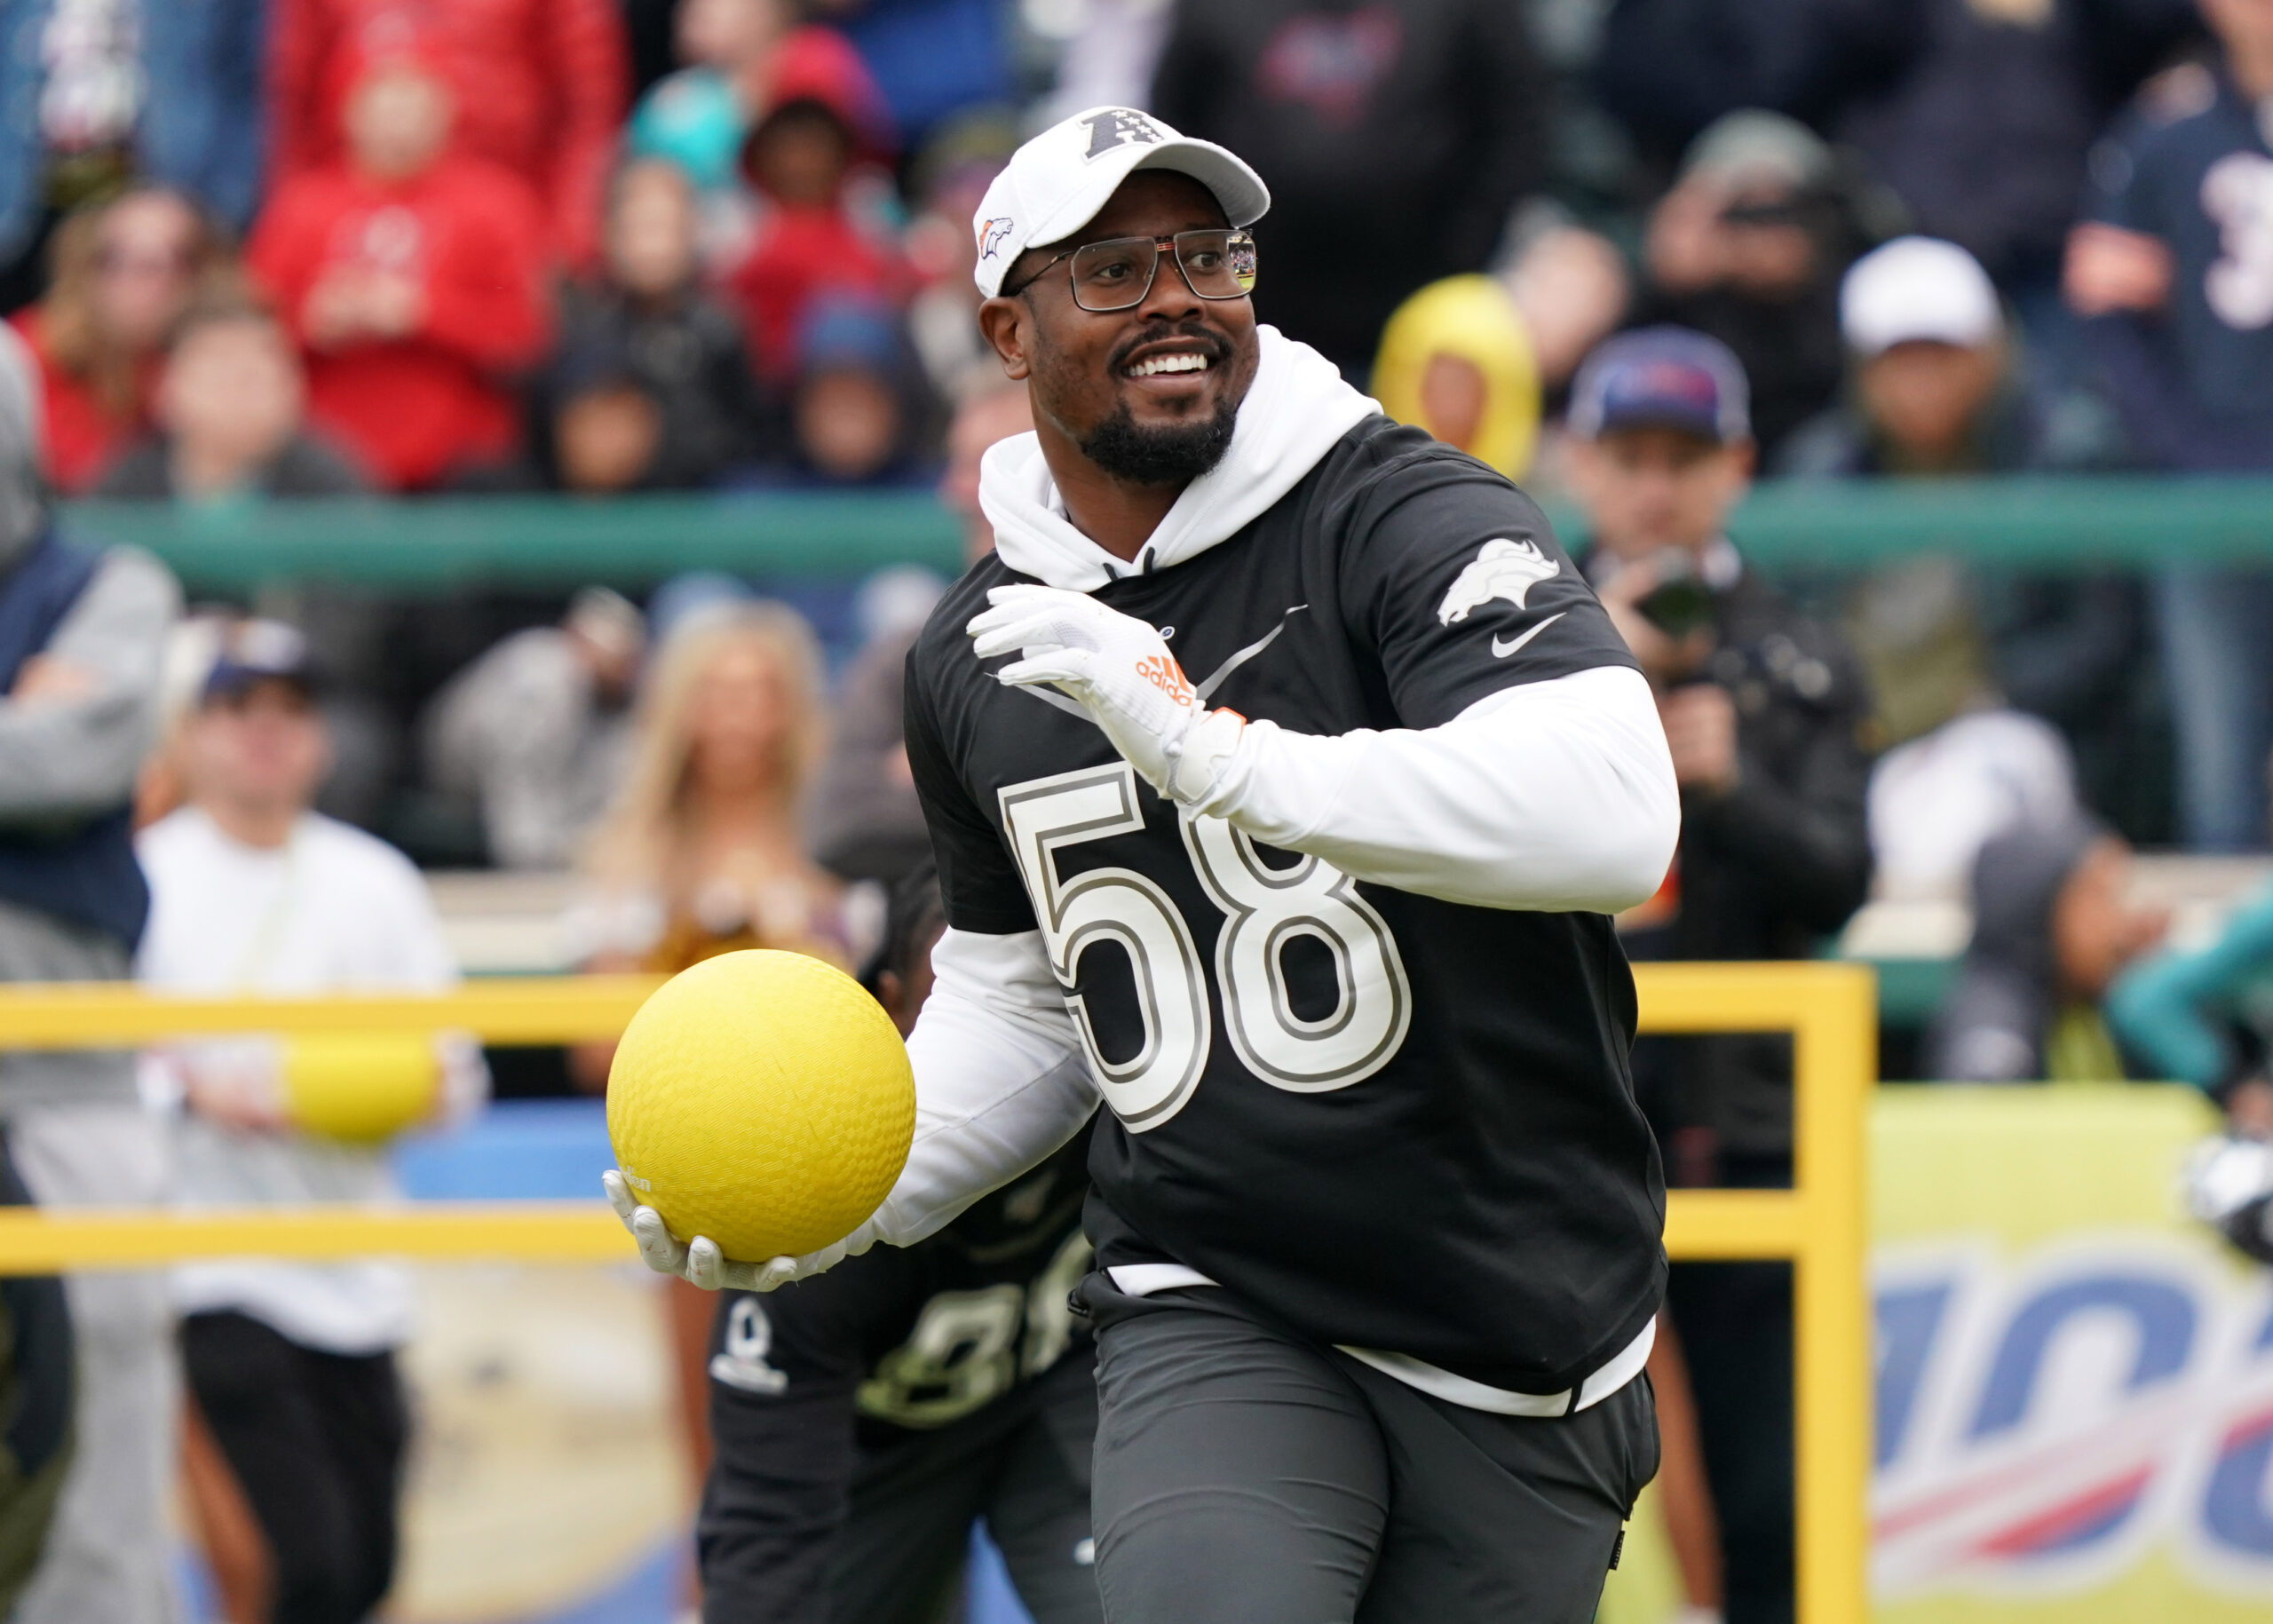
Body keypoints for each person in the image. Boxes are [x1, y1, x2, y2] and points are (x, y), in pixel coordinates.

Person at [613, 105, 1679, 1621]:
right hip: (1218, 1281)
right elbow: (1038, 1000)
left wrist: (1225, 760)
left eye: (1204, 254)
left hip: (1513, 1302)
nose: (1176, 295)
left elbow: (1619, 814)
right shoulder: (979, 649)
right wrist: (853, 1195)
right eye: (1112, 269)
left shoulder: (1400, 510)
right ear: (1009, 326)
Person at [1566, 327, 1873, 1624]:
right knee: (1525, 1504)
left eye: (1683, 460)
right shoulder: (1516, 636)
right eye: (1631, 457)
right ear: (1583, 466)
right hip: (1563, 1120)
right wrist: (1589, 694)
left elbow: (1845, 882)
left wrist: (1733, 789)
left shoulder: (1796, 652)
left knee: (1766, 1503)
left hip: (1744, 1123)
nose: (1655, 488)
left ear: (1738, 467)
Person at [136, 619, 487, 1624]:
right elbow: (101, 1066)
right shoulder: (144, 879)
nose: (266, 732)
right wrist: (200, 1094)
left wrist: (323, 1092)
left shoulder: (373, 879)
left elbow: (452, 1078)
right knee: (300, 1567)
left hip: (357, 1272)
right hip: (211, 1267)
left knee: (364, 1568)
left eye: (290, 708)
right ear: (191, 732)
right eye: (237, 706)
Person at [701, 861, 1102, 1624]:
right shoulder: (818, 1210)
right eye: (959, 1012)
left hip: (1073, 1393)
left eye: (1029, 1009)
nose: (996, 1055)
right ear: (887, 1007)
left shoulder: (1133, 1107)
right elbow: (768, 1523)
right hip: (881, 1457)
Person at [0, 320, 183, 1624]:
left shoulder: (109, 585)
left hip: (60, 1079)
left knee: (106, 1435)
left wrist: (38, 727)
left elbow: (62, 759)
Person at [2067, 2, 2273, 850]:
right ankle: (2226, 980)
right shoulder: (2167, 130)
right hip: (2205, 488)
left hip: (2214, 468)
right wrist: (2185, 447)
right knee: (2220, 765)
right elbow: (2109, 319)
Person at [1149, 2, 1551, 377]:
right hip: (1259, 306)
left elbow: (1516, 123)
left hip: (1424, 308)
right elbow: (1176, 136)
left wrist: (1462, 251)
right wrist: (1223, 269)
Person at [248, 39, 553, 492]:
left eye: (414, 105)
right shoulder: (301, 208)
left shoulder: (497, 204)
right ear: (348, 112)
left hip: (462, 465)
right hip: (322, 466)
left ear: (447, 112)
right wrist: (310, 323)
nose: (398, 124)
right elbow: (248, 329)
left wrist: (421, 314)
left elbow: (528, 338)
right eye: (382, 105)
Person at [811, 377, 1030, 885]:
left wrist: (932, 771)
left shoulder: (1136, 618)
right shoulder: (914, 652)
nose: (951, 492)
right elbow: (839, 822)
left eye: (977, 464)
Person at [268, 0, 627, 271]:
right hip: (357, 213)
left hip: (511, 212)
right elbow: (294, 101)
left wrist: (570, 234)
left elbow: (589, 103)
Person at [1632, 112, 1872, 462]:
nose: (1764, 233)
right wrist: (1667, 276)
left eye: (1782, 211)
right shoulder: (1683, 298)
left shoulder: (1846, 279)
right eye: (1744, 212)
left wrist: (1799, 286)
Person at [545, 158, 768, 490]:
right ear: (609, 233)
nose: (652, 246)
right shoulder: (582, 328)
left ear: (692, 232)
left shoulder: (721, 328)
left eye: (665, 227)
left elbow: (747, 428)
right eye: (638, 227)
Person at [8, 186, 234, 493]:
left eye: (167, 260)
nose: (137, 280)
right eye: (115, 258)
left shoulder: (223, 353)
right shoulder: (31, 349)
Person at [1928, 816, 2166, 1082]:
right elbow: (1977, 1116)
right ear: (2037, 907)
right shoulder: (1994, 1021)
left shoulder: (2084, 1003)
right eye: (2102, 899)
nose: (2120, 921)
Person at [422, 588, 645, 870]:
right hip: (458, 781)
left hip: (554, 806)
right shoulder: (542, 674)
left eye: (628, 659)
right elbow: (516, 786)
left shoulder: (616, 694)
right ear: (579, 638)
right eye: (614, 655)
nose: (623, 669)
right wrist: (537, 865)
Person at [94, 295, 368, 501]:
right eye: (220, 367)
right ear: (166, 388)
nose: (243, 387)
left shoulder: (332, 490)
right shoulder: (125, 491)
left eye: (262, 368)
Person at [1368, 273, 1540, 480]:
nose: (1450, 406)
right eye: (1437, 385)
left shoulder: (1540, 501)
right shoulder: (1366, 489)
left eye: (1466, 386)